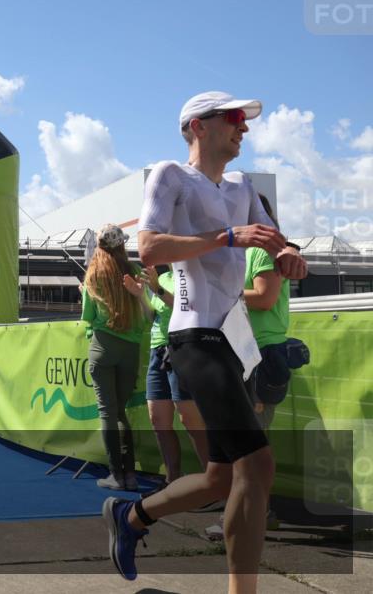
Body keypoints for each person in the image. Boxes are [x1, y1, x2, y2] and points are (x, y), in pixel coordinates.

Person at [104, 91, 307, 593]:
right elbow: (148, 247)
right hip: (192, 335)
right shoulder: (170, 175)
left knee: (221, 476)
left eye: (245, 121)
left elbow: (279, 246)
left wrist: (290, 259)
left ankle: (131, 517)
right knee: (257, 464)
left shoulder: (243, 187)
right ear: (198, 126)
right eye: (234, 118)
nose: (244, 128)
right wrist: (226, 238)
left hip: (233, 341)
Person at [205, 194, 296, 539]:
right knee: (250, 442)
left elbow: (265, 297)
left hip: (258, 355)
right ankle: (256, 513)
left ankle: (247, 518)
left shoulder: (262, 249)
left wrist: (224, 293)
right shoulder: (259, 249)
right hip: (250, 352)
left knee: (249, 443)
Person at [81, 223, 149, 491]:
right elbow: (145, 317)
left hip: (102, 346)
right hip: (130, 349)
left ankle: (115, 475)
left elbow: (87, 319)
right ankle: (129, 475)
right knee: (121, 413)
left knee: (107, 413)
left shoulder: (93, 275)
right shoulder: (133, 272)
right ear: (122, 245)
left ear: (99, 247)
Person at [144, 264, 210, 488]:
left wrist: (157, 289)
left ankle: (215, 483)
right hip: (158, 349)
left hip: (182, 348)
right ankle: (172, 480)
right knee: (158, 419)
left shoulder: (192, 275)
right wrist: (138, 295)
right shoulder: (163, 277)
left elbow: (186, 308)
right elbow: (152, 316)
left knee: (190, 419)